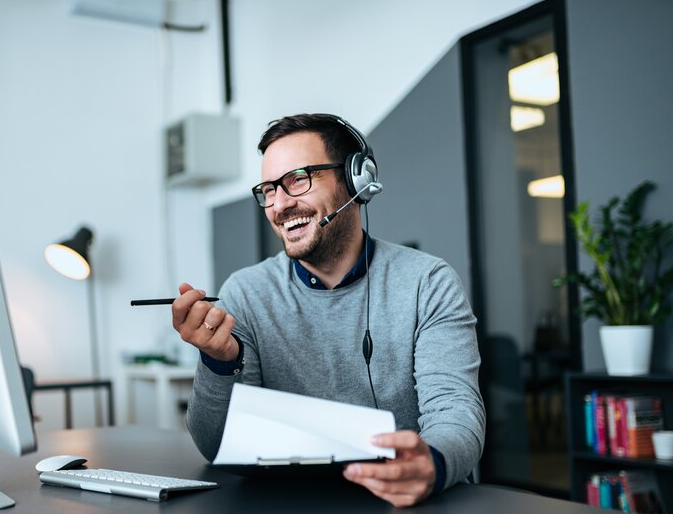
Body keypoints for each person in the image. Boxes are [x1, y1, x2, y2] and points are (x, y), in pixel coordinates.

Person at [171, 113, 485, 507]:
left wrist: (432, 465)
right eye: (268, 189)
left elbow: (456, 413)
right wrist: (219, 363)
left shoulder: (428, 282)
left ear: (357, 181)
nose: (280, 204)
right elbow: (217, 446)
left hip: (402, 501)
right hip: (288, 503)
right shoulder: (245, 293)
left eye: (298, 179)